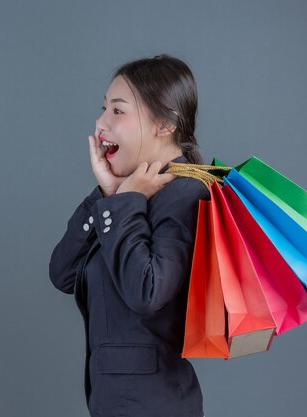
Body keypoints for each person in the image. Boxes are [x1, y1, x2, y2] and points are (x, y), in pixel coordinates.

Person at [49, 54, 209, 417]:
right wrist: (108, 194)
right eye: (103, 108)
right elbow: (62, 274)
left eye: (118, 111)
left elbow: (148, 291)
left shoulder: (187, 194)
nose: (100, 122)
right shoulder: (121, 195)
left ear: (165, 123)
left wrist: (127, 202)